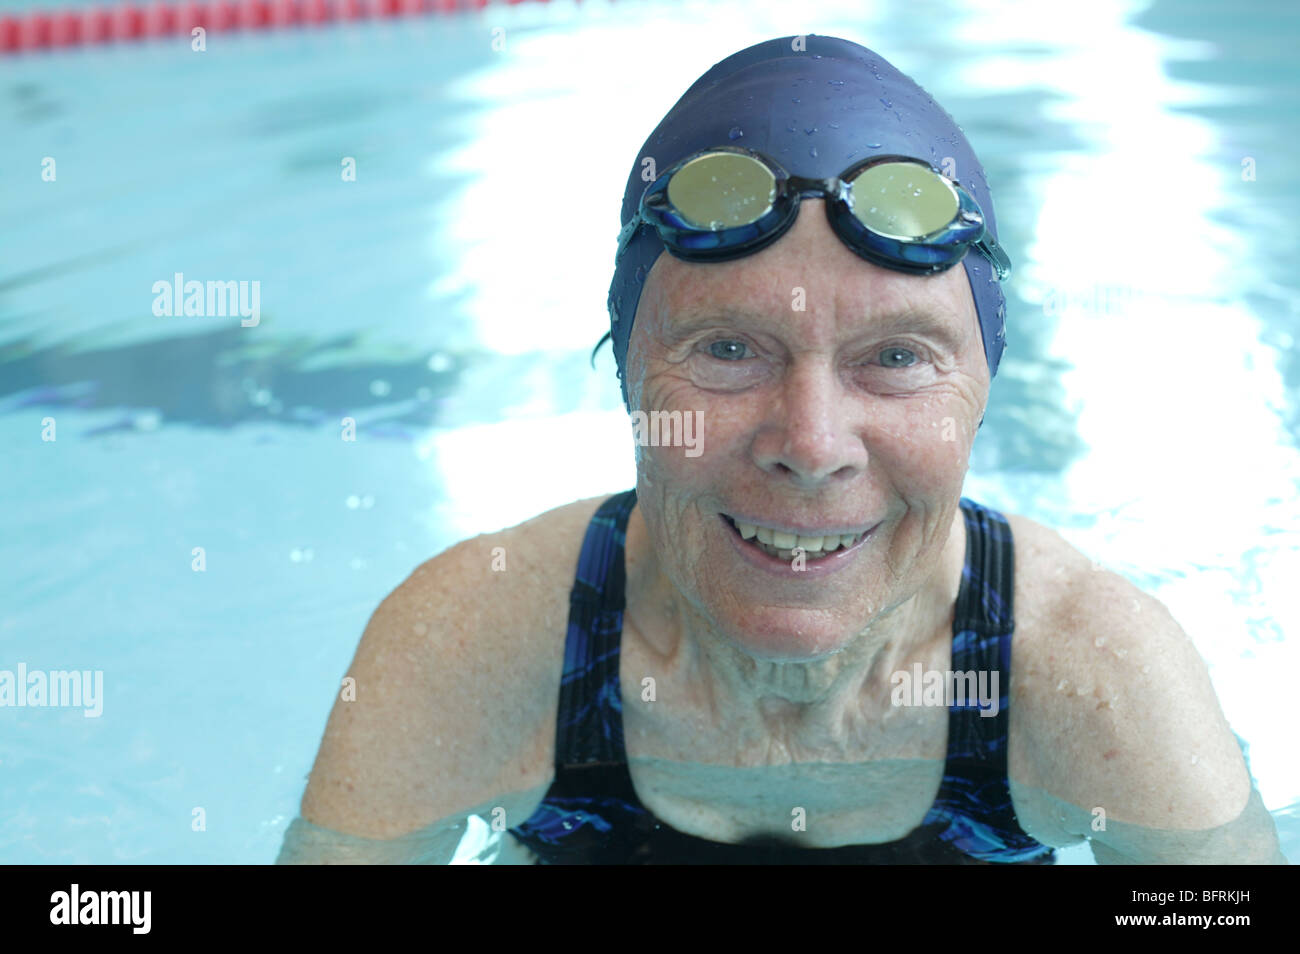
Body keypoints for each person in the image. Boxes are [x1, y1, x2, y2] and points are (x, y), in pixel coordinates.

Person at [278, 35, 1282, 864]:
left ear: (980, 393)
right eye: (726, 351)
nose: (810, 445)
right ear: (627, 380)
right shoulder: (478, 648)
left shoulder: (1093, 680)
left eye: (893, 357)